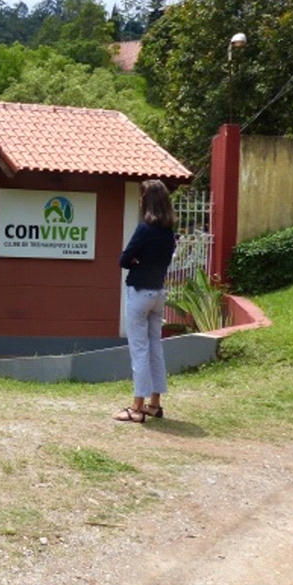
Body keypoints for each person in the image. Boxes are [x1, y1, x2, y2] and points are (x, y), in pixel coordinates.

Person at [114, 179, 177, 423]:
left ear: (146, 202)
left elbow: (123, 260)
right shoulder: (168, 234)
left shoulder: (144, 230)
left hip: (139, 293)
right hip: (158, 294)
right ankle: (155, 404)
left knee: (139, 349)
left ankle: (136, 408)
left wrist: (137, 262)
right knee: (155, 348)